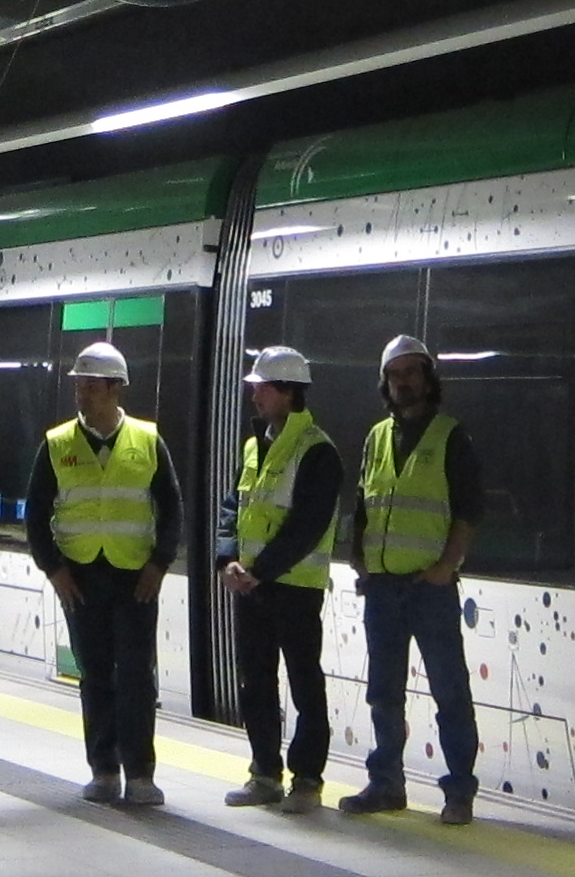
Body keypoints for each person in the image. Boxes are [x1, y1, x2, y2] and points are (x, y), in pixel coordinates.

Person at [19, 340, 181, 807]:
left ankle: (142, 773)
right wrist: (54, 570)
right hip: (81, 578)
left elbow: (171, 508)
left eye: (90, 386)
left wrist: (159, 564)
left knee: (136, 675)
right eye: (79, 385)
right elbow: (36, 515)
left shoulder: (148, 442)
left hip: (136, 578)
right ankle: (103, 769)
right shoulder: (57, 445)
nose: (82, 394)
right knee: (95, 674)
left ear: (115, 389)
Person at [340, 334, 484, 823]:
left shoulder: (450, 436)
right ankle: (386, 784)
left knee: (449, 689)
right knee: (383, 690)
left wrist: (448, 566)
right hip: (382, 589)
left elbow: (468, 511)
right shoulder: (376, 437)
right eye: (395, 374)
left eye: (412, 372)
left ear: (427, 379)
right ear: (385, 382)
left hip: (430, 588)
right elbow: (361, 506)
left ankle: (459, 791)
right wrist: (359, 562)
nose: (403, 382)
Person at [221, 344, 339, 814]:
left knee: (304, 680)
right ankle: (264, 773)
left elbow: (307, 526)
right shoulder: (255, 447)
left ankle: (308, 779)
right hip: (252, 586)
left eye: (262, 388)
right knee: (257, 682)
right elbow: (233, 509)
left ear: (289, 392)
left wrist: (258, 571)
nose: (255, 397)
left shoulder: (317, 452)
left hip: (294, 588)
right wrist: (226, 560)